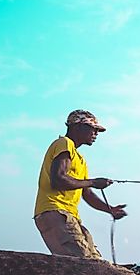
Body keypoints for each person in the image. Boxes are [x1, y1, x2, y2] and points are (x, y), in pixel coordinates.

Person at [33, 110, 127, 258]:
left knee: (95, 260)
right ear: (77, 127)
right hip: (55, 211)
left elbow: (87, 193)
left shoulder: (80, 159)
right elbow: (58, 179)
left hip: (69, 216)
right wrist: (94, 182)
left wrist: (110, 210)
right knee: (84, 263)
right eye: (93, 128)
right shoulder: (64, 144)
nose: (96, 133)